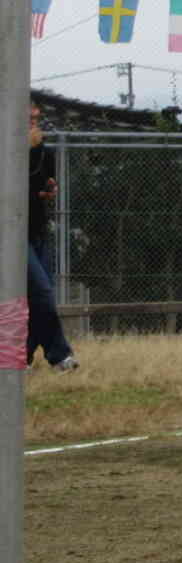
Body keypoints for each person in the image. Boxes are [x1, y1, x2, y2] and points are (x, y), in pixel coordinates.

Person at [26, 103, 78, 373]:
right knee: (43, 294)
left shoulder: (44, 152)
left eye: (36, 119)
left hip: (36, 229)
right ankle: (59, 355)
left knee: (41, 296)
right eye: (28, 119)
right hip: (11, 234)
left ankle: (19, 356)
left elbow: (44, 183)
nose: (34, 123)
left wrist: (49, 189)